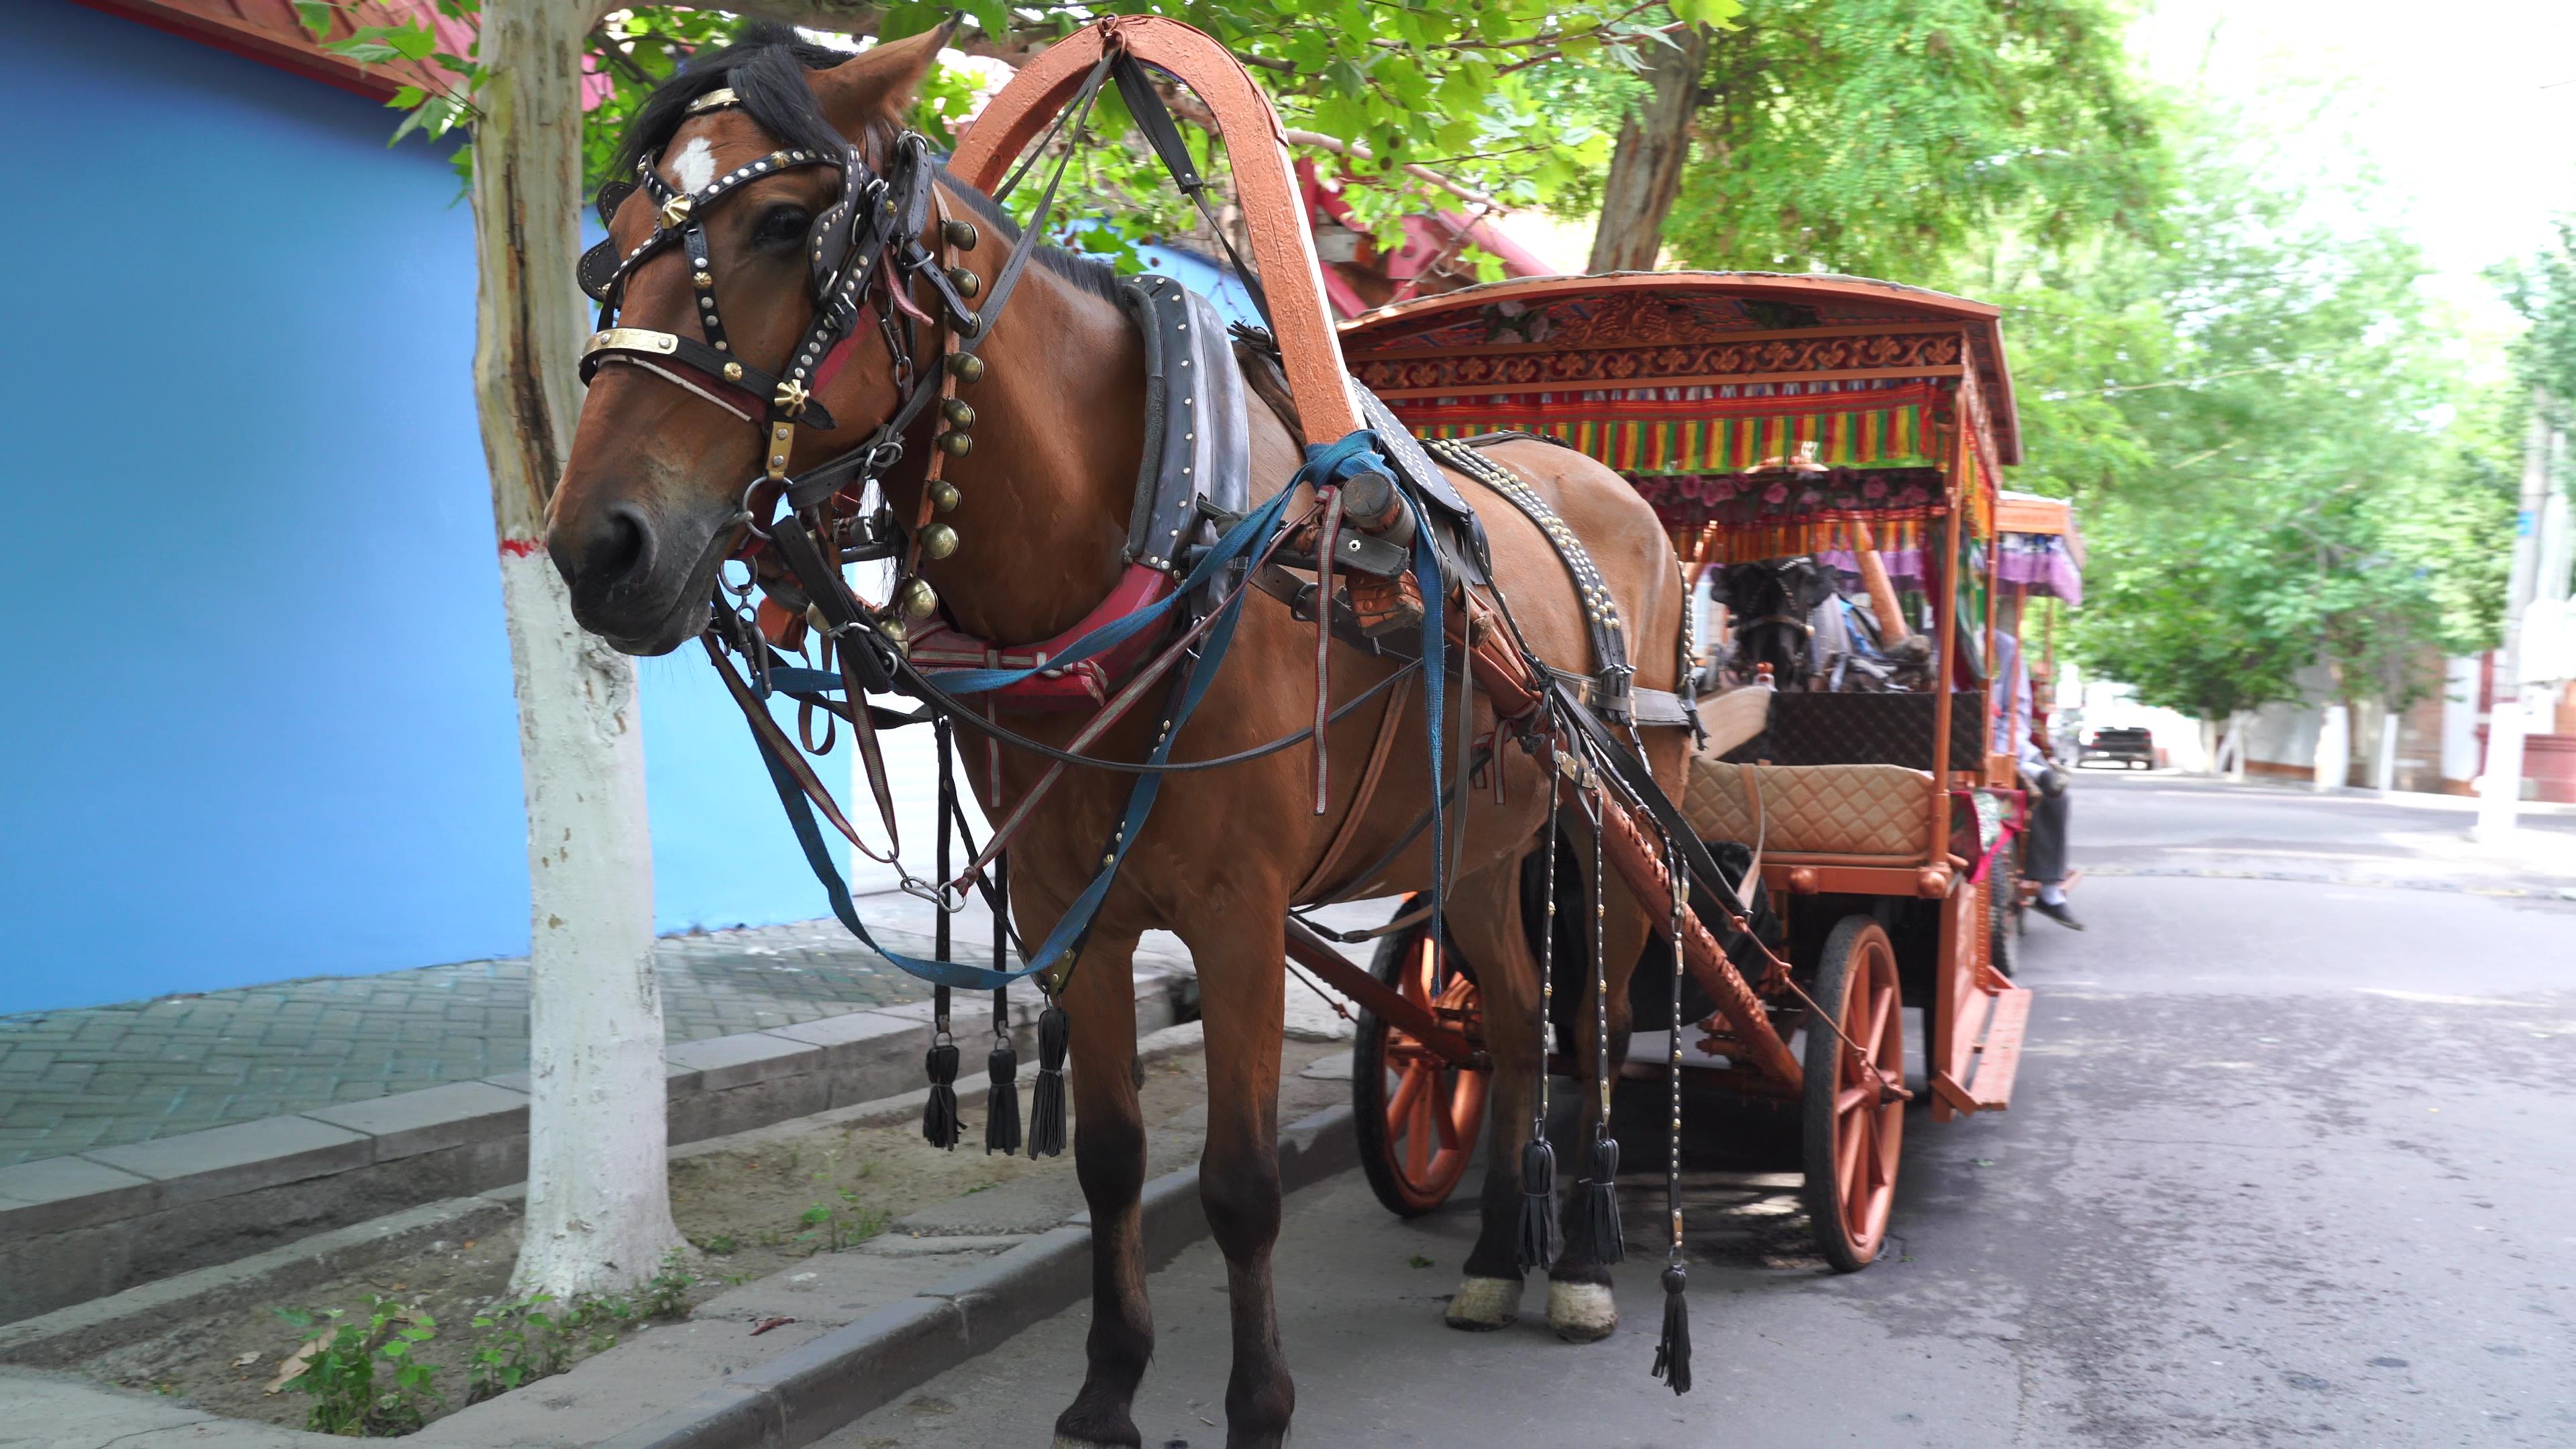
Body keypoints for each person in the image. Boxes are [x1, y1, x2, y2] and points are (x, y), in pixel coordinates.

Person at [1992, 631, 2082, 930]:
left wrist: (2001, 754)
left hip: (2006, 746)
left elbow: (2015, 714)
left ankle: (2048, 890)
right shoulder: (1922, 638)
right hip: (1945, 744)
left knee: (2055, 794)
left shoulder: (2003, 647)